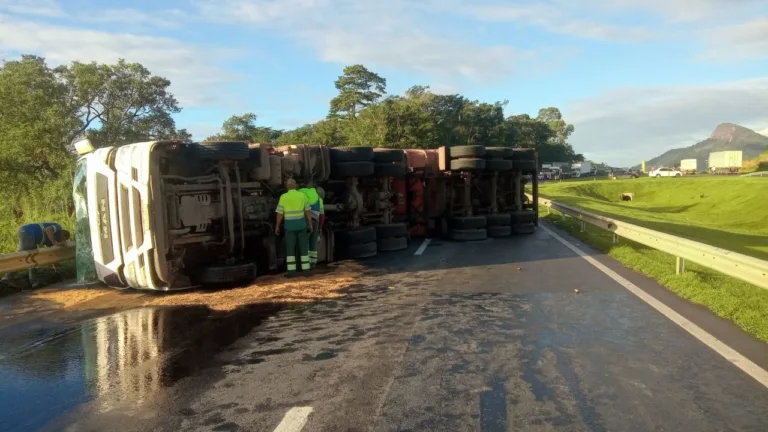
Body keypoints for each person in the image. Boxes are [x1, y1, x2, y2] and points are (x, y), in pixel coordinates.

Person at [1, 223, 70, 288]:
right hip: (28, 232)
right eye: (64, 239)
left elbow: (51, 253)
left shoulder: (52, 238)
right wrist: (55, 242)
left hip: (27, 233)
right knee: (22, 257)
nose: (63, 241)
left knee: (33, 257)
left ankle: (34, 282)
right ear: (63, 234)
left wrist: (54, 266)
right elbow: (48, 229)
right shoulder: (58, 227)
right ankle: (7, 278)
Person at [275, 179, 313, 277]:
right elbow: (308, 212)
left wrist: (277, 226)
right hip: (301, 225)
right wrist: (310, 224)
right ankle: (306, 271)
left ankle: (291, 273)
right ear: (295, 186)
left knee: (290, 250)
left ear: (286, 186)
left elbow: (280, 213)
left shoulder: (283, 197)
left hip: (289, 227)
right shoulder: (302, 195)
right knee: (304, 248)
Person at [299, 183, 322, 268]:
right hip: (316, 220)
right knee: (313, 242)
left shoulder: (300, 192)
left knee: (305, 242)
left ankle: (305, 265)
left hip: (307, 219)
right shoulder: (317, 196)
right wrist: (320, 227)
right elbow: (322, 214)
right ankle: (313, 263)